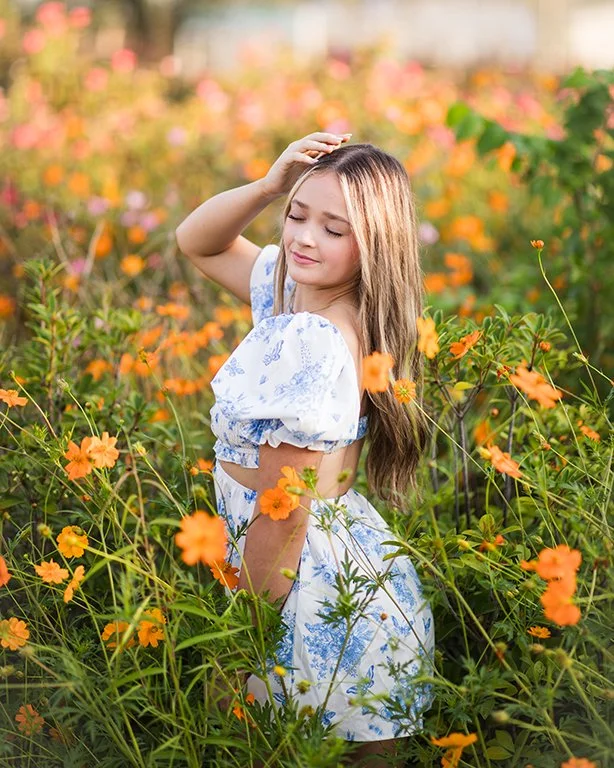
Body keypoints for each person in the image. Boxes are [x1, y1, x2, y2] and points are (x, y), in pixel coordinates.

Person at [175, 133, 435, 766]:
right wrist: (267, 185)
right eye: (296, 215)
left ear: (375, 245)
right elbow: (198, 241)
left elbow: (283, 507)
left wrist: (241, 648)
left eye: (334, 228)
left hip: (306, 598)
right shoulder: (299, 296)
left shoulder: (312, 339)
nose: (304, 239)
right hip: (327, 583)